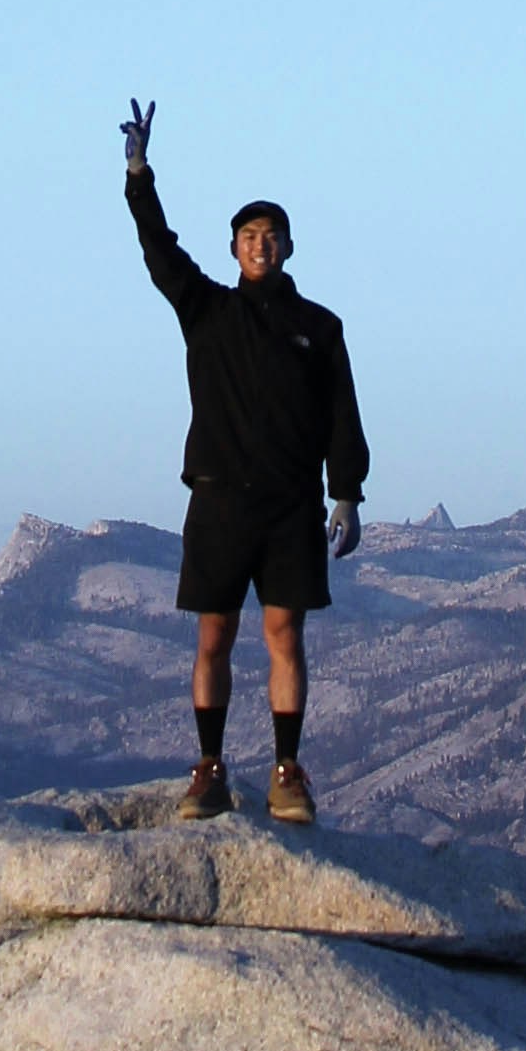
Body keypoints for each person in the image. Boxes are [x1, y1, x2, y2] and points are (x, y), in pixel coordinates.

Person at [119, 96, 369, 823]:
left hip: (290, 503)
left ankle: (288, 771)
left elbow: (342, 414)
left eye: (272, 235)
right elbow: (158, 248)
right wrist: (139, 173)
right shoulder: (206, 311)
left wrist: (346, 493)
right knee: (214, 635)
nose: (260, 245)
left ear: (288, 247)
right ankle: (209, 767)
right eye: (248, 235)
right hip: (221, 499)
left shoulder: (319, 328)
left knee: (284, 634)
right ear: (233, 249)